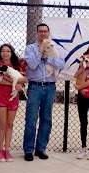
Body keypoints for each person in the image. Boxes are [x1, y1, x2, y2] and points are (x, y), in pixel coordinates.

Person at [23, 23, 65, 161]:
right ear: (37, 33)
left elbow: (61, 64)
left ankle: (41, 148)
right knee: (31, 119)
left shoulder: (55, 47)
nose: (43, 34)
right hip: (35, 87)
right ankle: (28, 150)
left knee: (46, 119)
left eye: (45, 31)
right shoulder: (30, 49)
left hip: (50, 86)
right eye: (40, 31)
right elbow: (32, 65)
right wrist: (40, 51)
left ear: (48, 33)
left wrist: (49, 58)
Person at [0, 44, 27, 162]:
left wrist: (13, 82)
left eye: (8, 51)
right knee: (2, 123)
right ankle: (0, 149)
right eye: (3, 51)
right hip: (1, 96)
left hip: (12, 97)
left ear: (11, 53)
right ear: (0, 53)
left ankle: (7, 150)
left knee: (10, 123)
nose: (5, 53)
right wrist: (15, 84)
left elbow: (24, 79)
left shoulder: (16, 65)